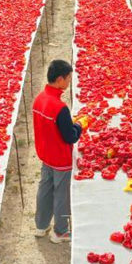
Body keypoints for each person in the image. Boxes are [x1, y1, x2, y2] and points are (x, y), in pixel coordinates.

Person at [33, 60, 89, 243]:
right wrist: (80, 125)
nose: (69, 82)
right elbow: (70, 137)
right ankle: (60, 232)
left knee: (45, 189)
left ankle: (41, 226)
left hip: (45, 153)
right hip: (60, 157)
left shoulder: (39, 98)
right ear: (59, 79)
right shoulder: (60, 108)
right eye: (68, 78)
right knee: (61, 194)